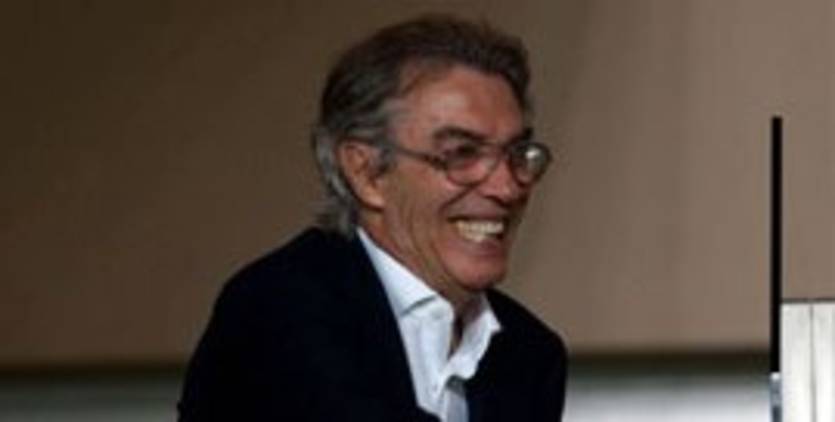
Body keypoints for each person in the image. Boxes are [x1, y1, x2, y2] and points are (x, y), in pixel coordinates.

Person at [178, 14, 566, 422]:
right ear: (366, 173)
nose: (507, 188)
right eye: (462, 154)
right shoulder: (280, 311)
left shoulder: (529, 353)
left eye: (518, 155)